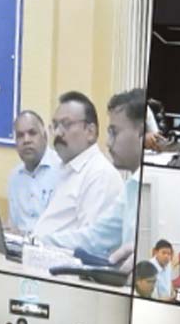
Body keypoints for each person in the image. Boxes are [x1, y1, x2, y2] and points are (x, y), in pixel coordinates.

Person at [40, 88, 145, 267]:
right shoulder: (131, 187)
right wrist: (35, 241)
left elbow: (93, 251)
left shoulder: (101, 174)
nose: (108, 142)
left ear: (141, 133)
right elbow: (95, 237)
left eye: (114, 132)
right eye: (55, 125)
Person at [33, 91, 123, 240]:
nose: (58, 133)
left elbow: (90, 244)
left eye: (66, 124)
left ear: (90, 132)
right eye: (55, 125)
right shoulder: (66, 169)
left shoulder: (99, 174)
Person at [7, 110, 61, 233]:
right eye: (20, 135)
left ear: (45, 137)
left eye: (32, 133)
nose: (26, 140)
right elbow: (14, 227)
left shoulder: (62, 171)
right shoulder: (14, 178)